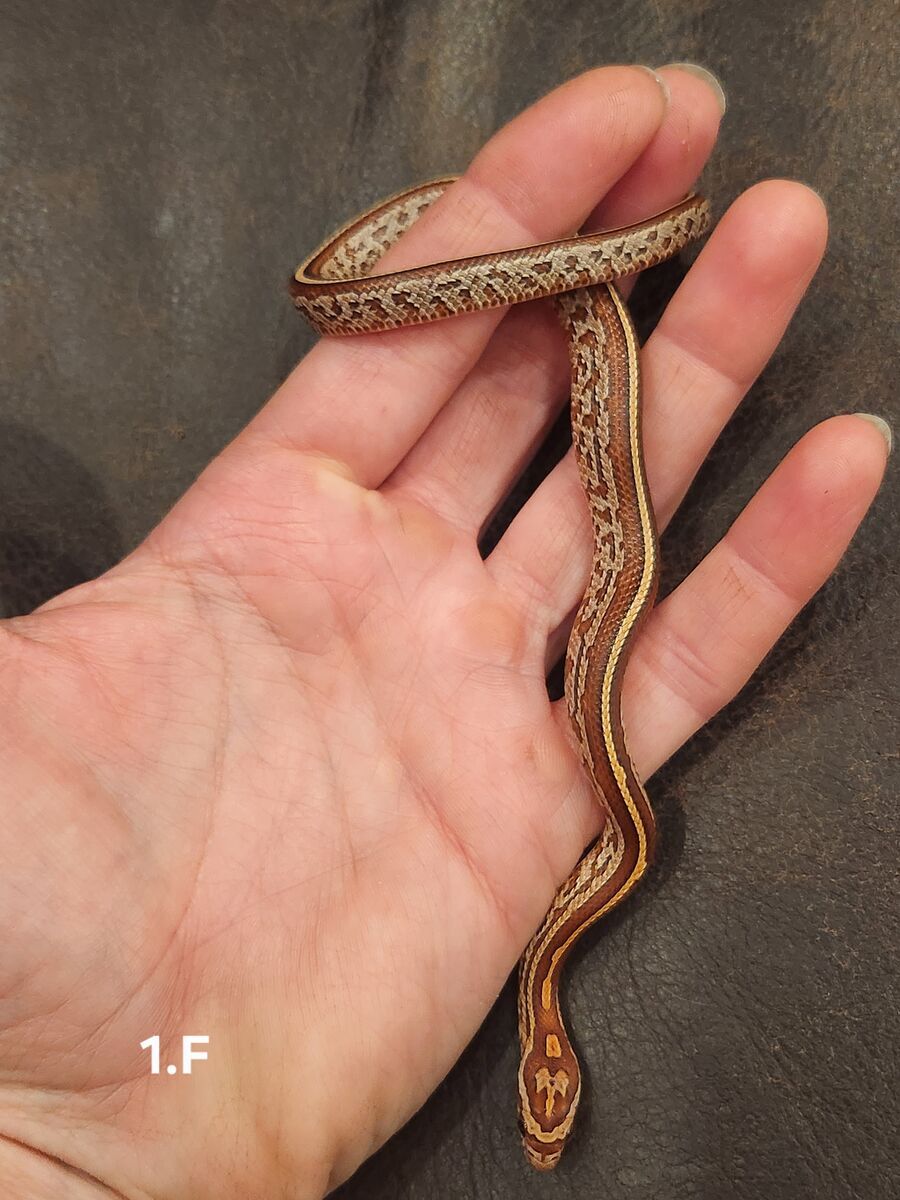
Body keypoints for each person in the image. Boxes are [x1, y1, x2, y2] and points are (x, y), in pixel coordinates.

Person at [0, 64, 889, 1199]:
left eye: (539, 1127)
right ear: (549, 1070)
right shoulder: (162, 1058)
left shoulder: (153, 1059)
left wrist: (105, 1118)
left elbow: (166, 1060)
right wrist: (102, 1122)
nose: (543, 1133)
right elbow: (166, 1061)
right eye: (548, 1123)